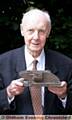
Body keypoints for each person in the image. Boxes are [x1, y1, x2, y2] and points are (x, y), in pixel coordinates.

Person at [0, 8, 72, 115]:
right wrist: (8, 93)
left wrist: (64, 95)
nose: (36, 37)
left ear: (48, 32)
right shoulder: (2, 63)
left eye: (41, 31)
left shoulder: (66, 64)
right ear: (22, 30)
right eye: (31, 30)